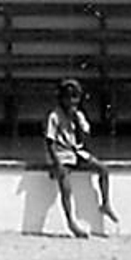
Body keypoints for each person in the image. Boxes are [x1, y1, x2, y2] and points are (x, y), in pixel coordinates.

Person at [43, 77, 119, 238]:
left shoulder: (78, 115)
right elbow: (50, 142)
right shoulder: (54, 116)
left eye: (75, 97)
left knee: (103, 170)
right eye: (68, 97)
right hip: (61, 154)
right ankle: (71, 221)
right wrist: (56, 163)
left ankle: (105, 203)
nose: (71, 101)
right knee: (65, 182)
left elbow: (85, 136)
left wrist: (77, 121)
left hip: (76, 151)